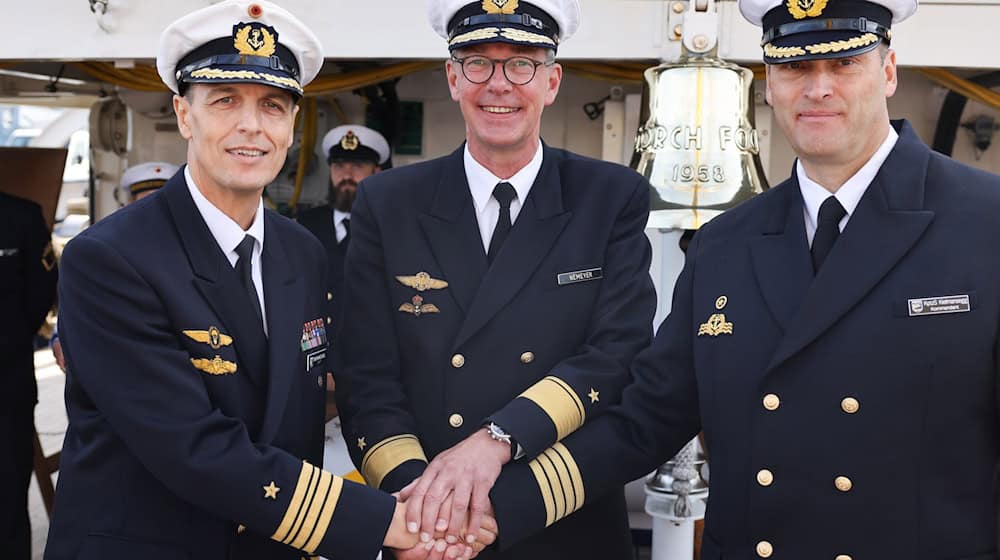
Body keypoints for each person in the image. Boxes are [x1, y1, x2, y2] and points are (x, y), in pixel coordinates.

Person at [486, 0, 1000, 558]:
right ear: (770, 84)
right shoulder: (725, 244)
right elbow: (647, 418)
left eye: (845, 63)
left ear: (889, 71)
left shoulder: (985, 222)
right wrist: (491, 501)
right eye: (795, 67)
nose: (818, 88)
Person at [45, 2, 418, 559]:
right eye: (225, 101)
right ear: (183, 114)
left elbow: (333, 390)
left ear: (292, 124)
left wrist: (415, 479)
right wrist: (388, 523)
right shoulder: (109, 260)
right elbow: (191, 446)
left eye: (272, 104)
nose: (251, 125)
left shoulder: (302, 253)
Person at [334, 0, 657, 558]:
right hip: (425, 531)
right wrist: (423, 501)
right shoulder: (389, 203)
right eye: (478, 62)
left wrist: (495, 441)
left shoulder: (610, 197)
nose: (499, 84)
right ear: (453, 78)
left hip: (566, 519)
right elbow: (366, 375)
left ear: (552, 82)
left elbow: (615, 355)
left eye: (521, 64)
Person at [51, 162, 179, 372]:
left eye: (162, 202)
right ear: (129, 205)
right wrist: (58, 338)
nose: (155, 211)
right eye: (146, 202)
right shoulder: (104, 251)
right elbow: (77, 304)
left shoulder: (195, 250)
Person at [0, 191, 57, 560]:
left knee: (6, 499)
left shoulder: (21, 216)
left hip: (7, 387)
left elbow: (43, 290)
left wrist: (11, 338)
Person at [299, 125, 390, 338]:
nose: (347, 175)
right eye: (339, 166)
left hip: (368, 349)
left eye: (358, 165)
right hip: (314, 350)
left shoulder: (390, 227)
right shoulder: (305, 224)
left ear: (377, 171)